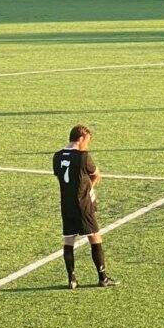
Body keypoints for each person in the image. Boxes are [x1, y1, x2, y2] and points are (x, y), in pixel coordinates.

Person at [53, 124, 117, 290]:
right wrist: (90, 187)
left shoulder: (57, 156)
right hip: (83, 204)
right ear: (80, 138)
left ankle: (71, 279)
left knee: (68, 240)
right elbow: (96, 174)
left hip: (66, 204)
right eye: (87, 141)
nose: (87, 145)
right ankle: (103, 277)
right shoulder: (83, 156)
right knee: (95, 236)